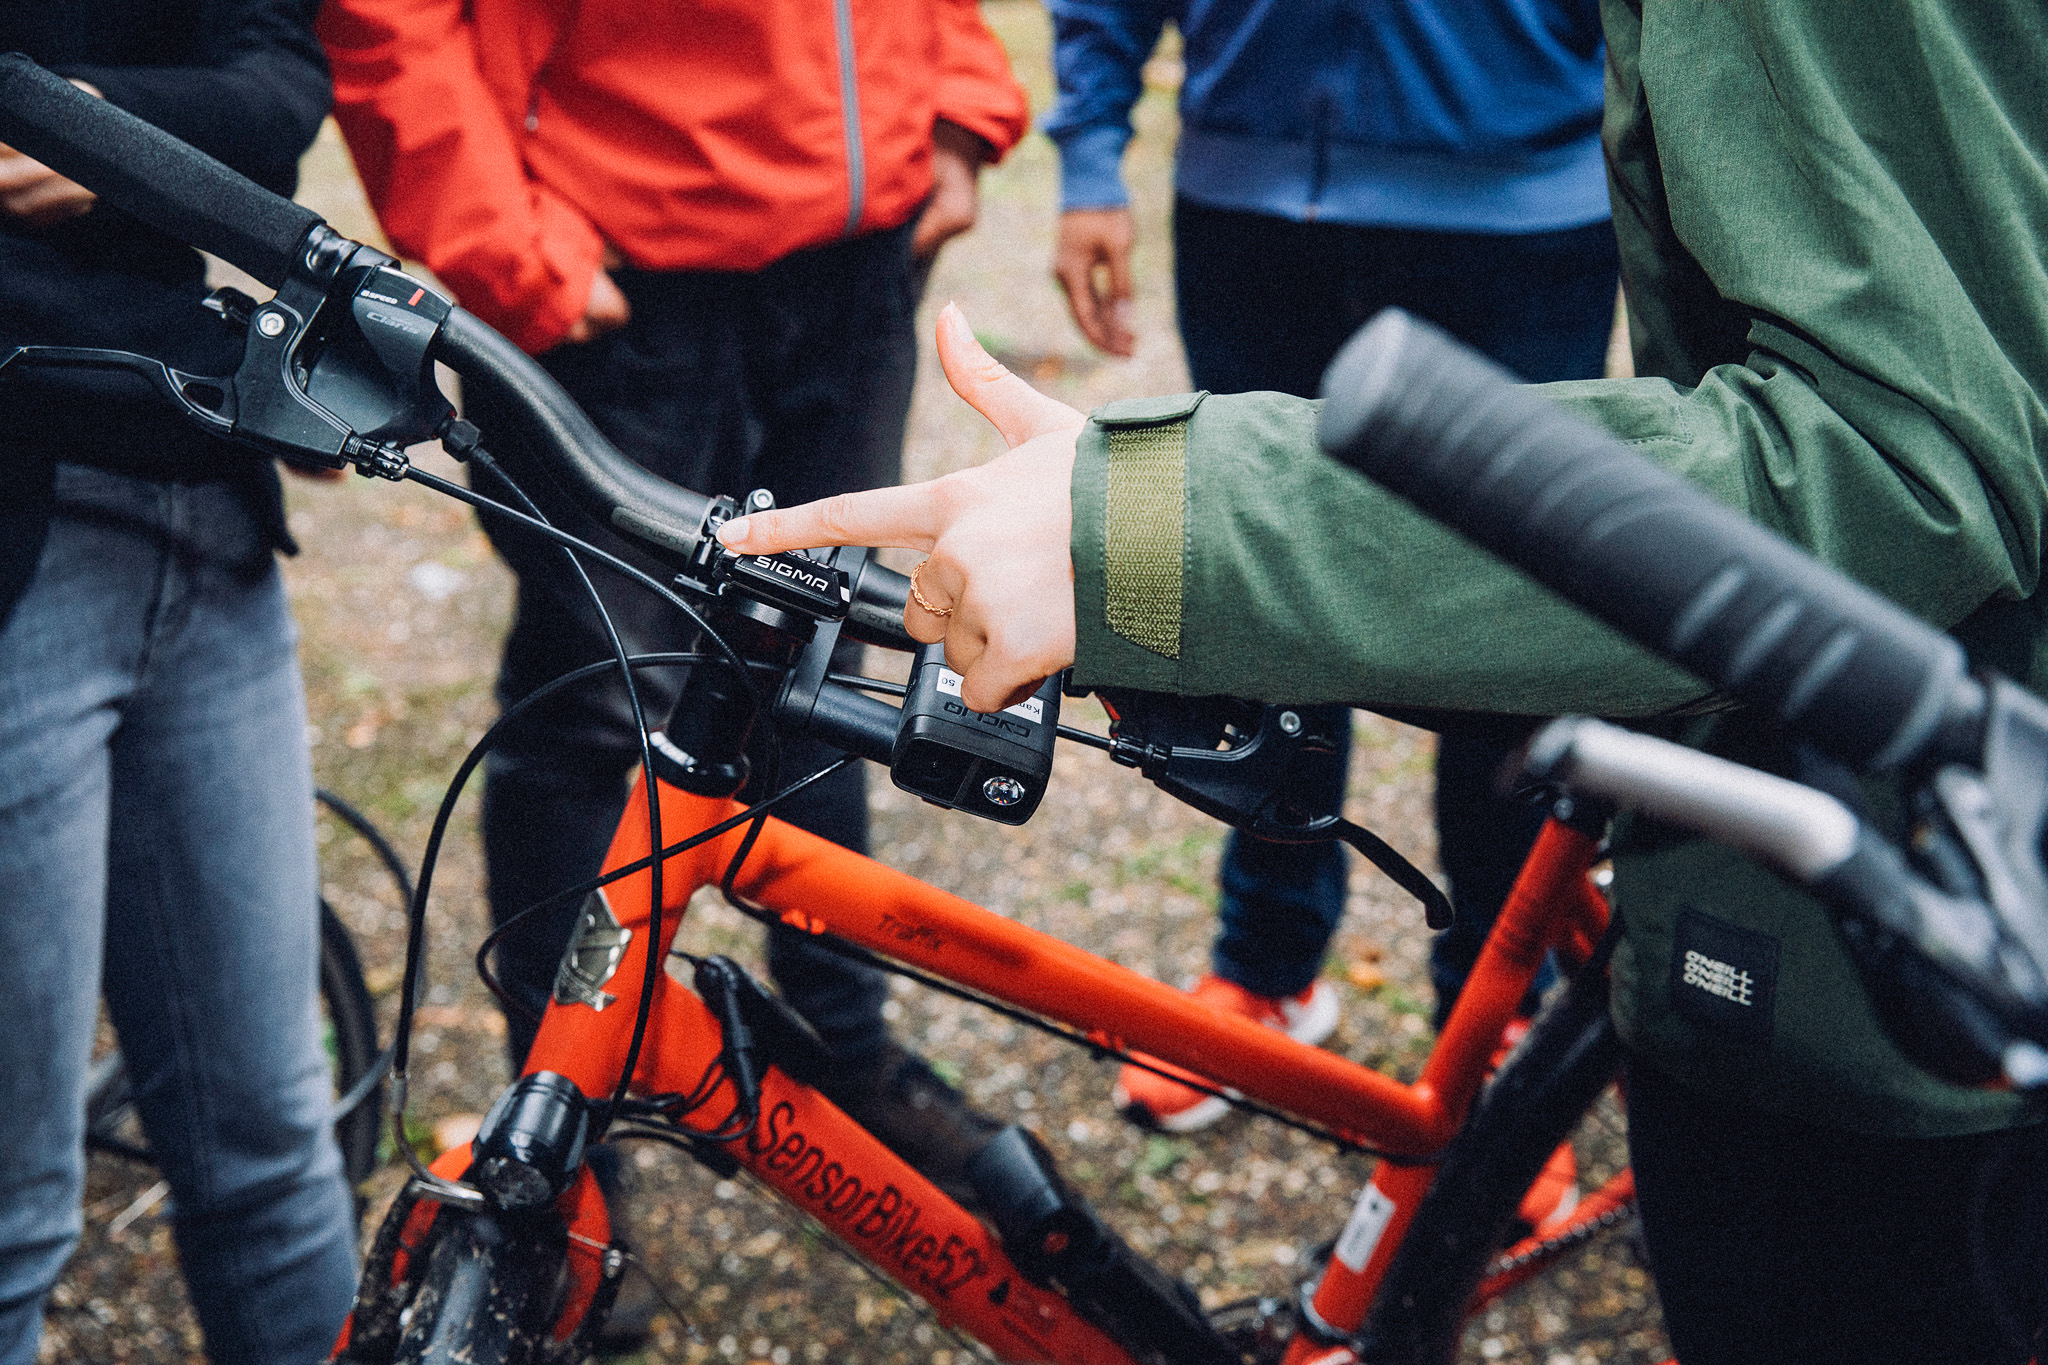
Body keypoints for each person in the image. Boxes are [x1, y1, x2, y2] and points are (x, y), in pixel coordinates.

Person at [720, 0, 2048, 1349]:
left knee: (1498, 698)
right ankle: (1284, 964)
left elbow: (1896, 459)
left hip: (1916, 971)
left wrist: (1153, 527)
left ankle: (1492, 1025)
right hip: (1262, 186)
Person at [318, 0, 1029, 1221]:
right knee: (600, 706)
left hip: (851, 265)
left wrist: (955, 103)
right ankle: (557, 1140)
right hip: (632, 281)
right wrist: (499, 240)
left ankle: (843, 1053)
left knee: (824, 675)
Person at [1042, 0, 1618, 1129]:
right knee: (1254, 596)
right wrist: (1089, 159)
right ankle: (1262, 968)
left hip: (1522, 210)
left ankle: (1495, 1025)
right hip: (1246, 202)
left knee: (1503, 629)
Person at [0, 6, 359, 1363]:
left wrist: (104, 127)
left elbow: (277, 78)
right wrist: (220, 353)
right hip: (30, 548)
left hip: (200, 517)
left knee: (270, 1147)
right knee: (14, 1221)